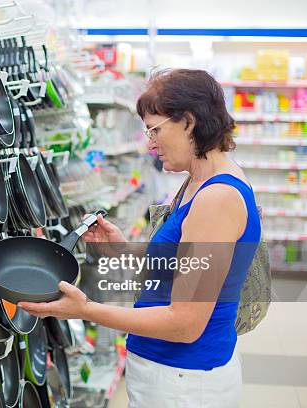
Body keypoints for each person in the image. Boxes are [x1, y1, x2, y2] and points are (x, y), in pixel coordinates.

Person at [18, 69, 261, 408]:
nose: (150, 142)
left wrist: (85, 310)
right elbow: (183, 269)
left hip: (184, 381)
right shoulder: (197, 180)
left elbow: (185, 324)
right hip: (171, 373)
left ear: (188, 122)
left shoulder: (216, 198)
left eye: (155, 129)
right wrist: (122, 251)